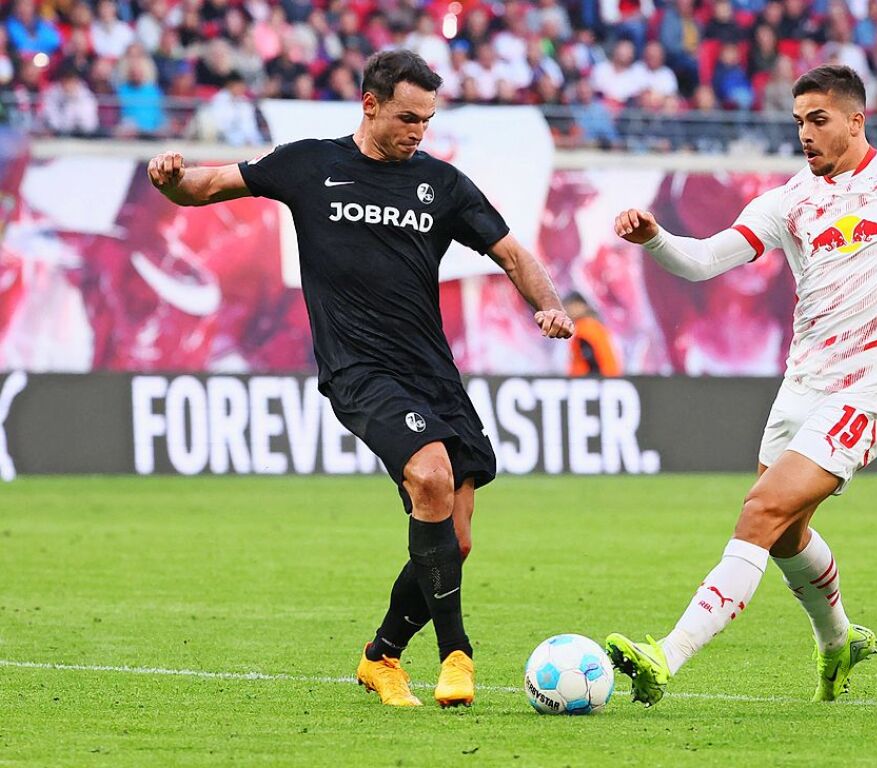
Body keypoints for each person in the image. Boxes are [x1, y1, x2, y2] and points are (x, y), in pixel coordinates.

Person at [147, 50, 573, 708]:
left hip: (433, 374)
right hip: (358, 371)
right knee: (428, 476)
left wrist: (547, 304)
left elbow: (512, 252)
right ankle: (458, 656)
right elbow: (202, 187)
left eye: (427, 120)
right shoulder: (309, 164)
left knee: (454, 540)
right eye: (407, 117)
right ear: (370, 105)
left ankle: (380, 657)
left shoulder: (441, 185)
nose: (417, 131)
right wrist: (169, 177)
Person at [605, 64, 877, 705]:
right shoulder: (789, 201)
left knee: (759, 511)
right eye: (798, 121)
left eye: (818, 119)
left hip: (869, 390)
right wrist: (656, 239)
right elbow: (703, 260)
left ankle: (667, 655)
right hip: (800, 389)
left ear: (856, 120)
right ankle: (838, 640)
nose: (805, 133)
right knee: (786, 533)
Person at [563, 291, 622, 376]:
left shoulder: (585, 328)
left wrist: (594, 381)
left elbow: (592, 360)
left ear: (581, 306)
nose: (567, 312)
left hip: (592, 382)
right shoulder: (593, 325)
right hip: (605, 380)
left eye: (569, 307)